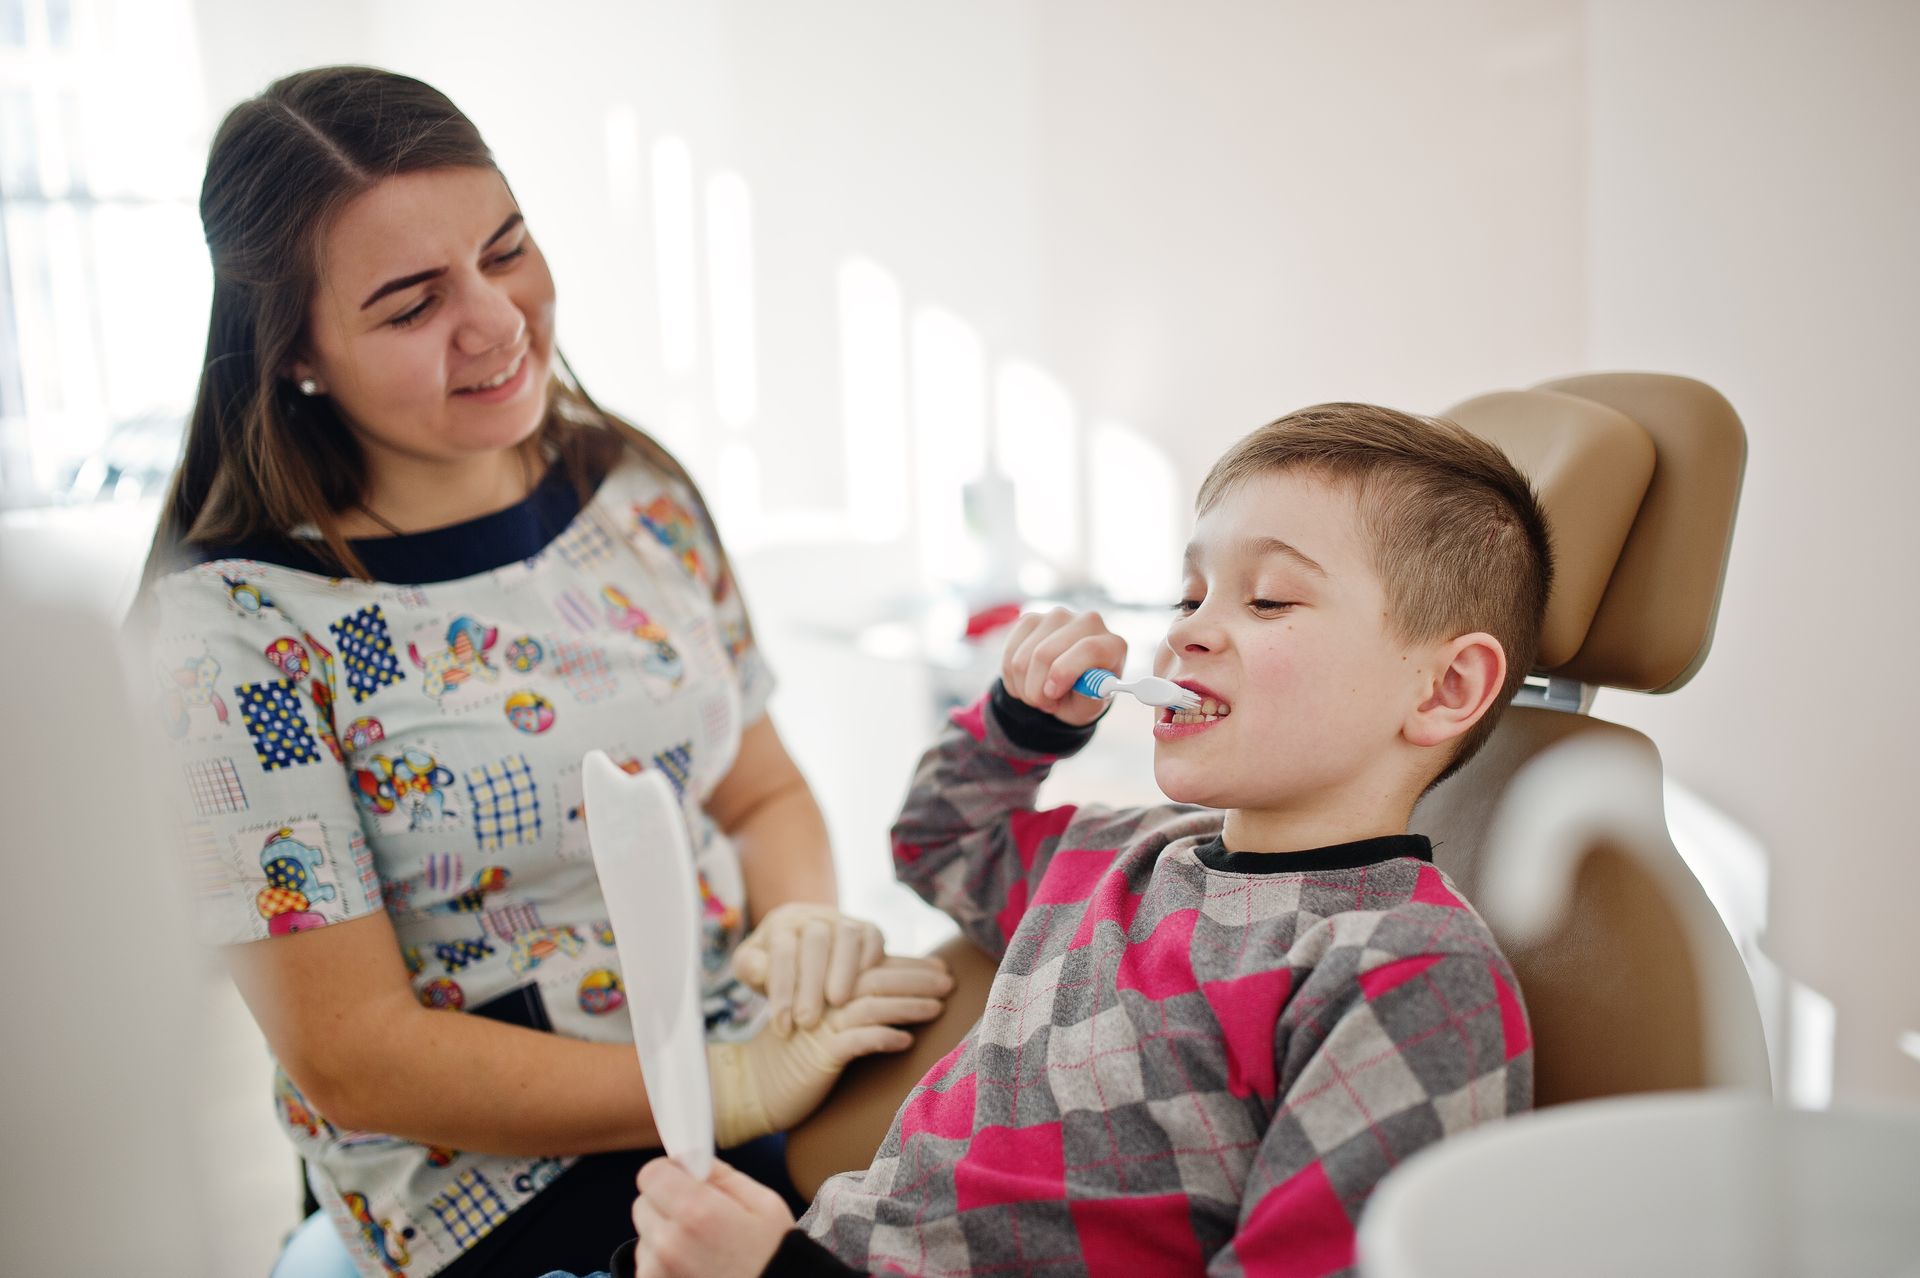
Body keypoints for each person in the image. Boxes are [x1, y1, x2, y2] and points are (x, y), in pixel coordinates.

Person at [137, 66, 950, 1278]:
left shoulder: (636, 495)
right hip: (497, 1183)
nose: (496, 321)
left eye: (504, 249)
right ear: (294, 352)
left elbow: (761, 793)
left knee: (1048, 983)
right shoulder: (237, 633)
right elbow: (353, 1054)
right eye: (413, 305)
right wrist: (719, 1089)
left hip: (752, 1065)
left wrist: (799, 939)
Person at [617, 403, 1551, 1277]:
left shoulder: (1408, 974)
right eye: (1189, 596)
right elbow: (939, 841)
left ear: (1445, 690)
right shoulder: (1118, 852)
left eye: (1267, 601)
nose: (1186, 635)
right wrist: (1023, 727)